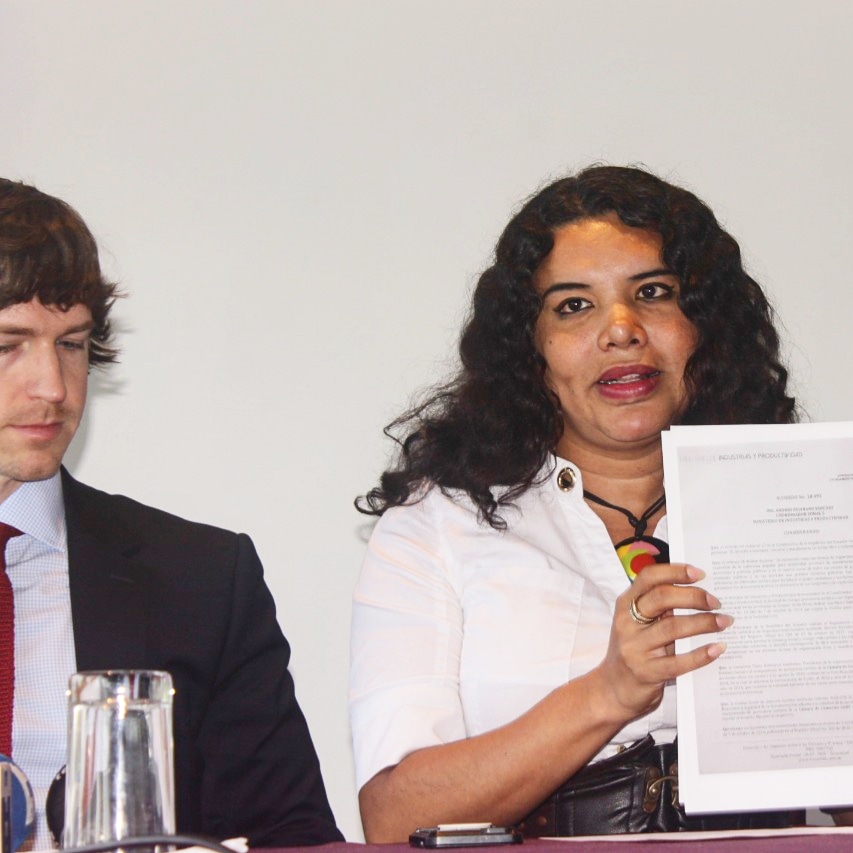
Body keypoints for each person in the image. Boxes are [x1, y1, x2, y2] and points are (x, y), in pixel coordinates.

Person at [349, 165, 826, 841]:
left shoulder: (808, 508)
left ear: (707, 325)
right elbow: (394, 819)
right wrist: (608, 692)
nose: (622, 330)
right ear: (529, 346)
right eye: (574, 305)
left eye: (653, 293)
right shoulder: (438, 525)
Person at [0, 178, 343, 848]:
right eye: (7, 344)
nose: (53, 387)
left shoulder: (202, 580)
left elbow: (290, 835)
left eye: (71, 344)